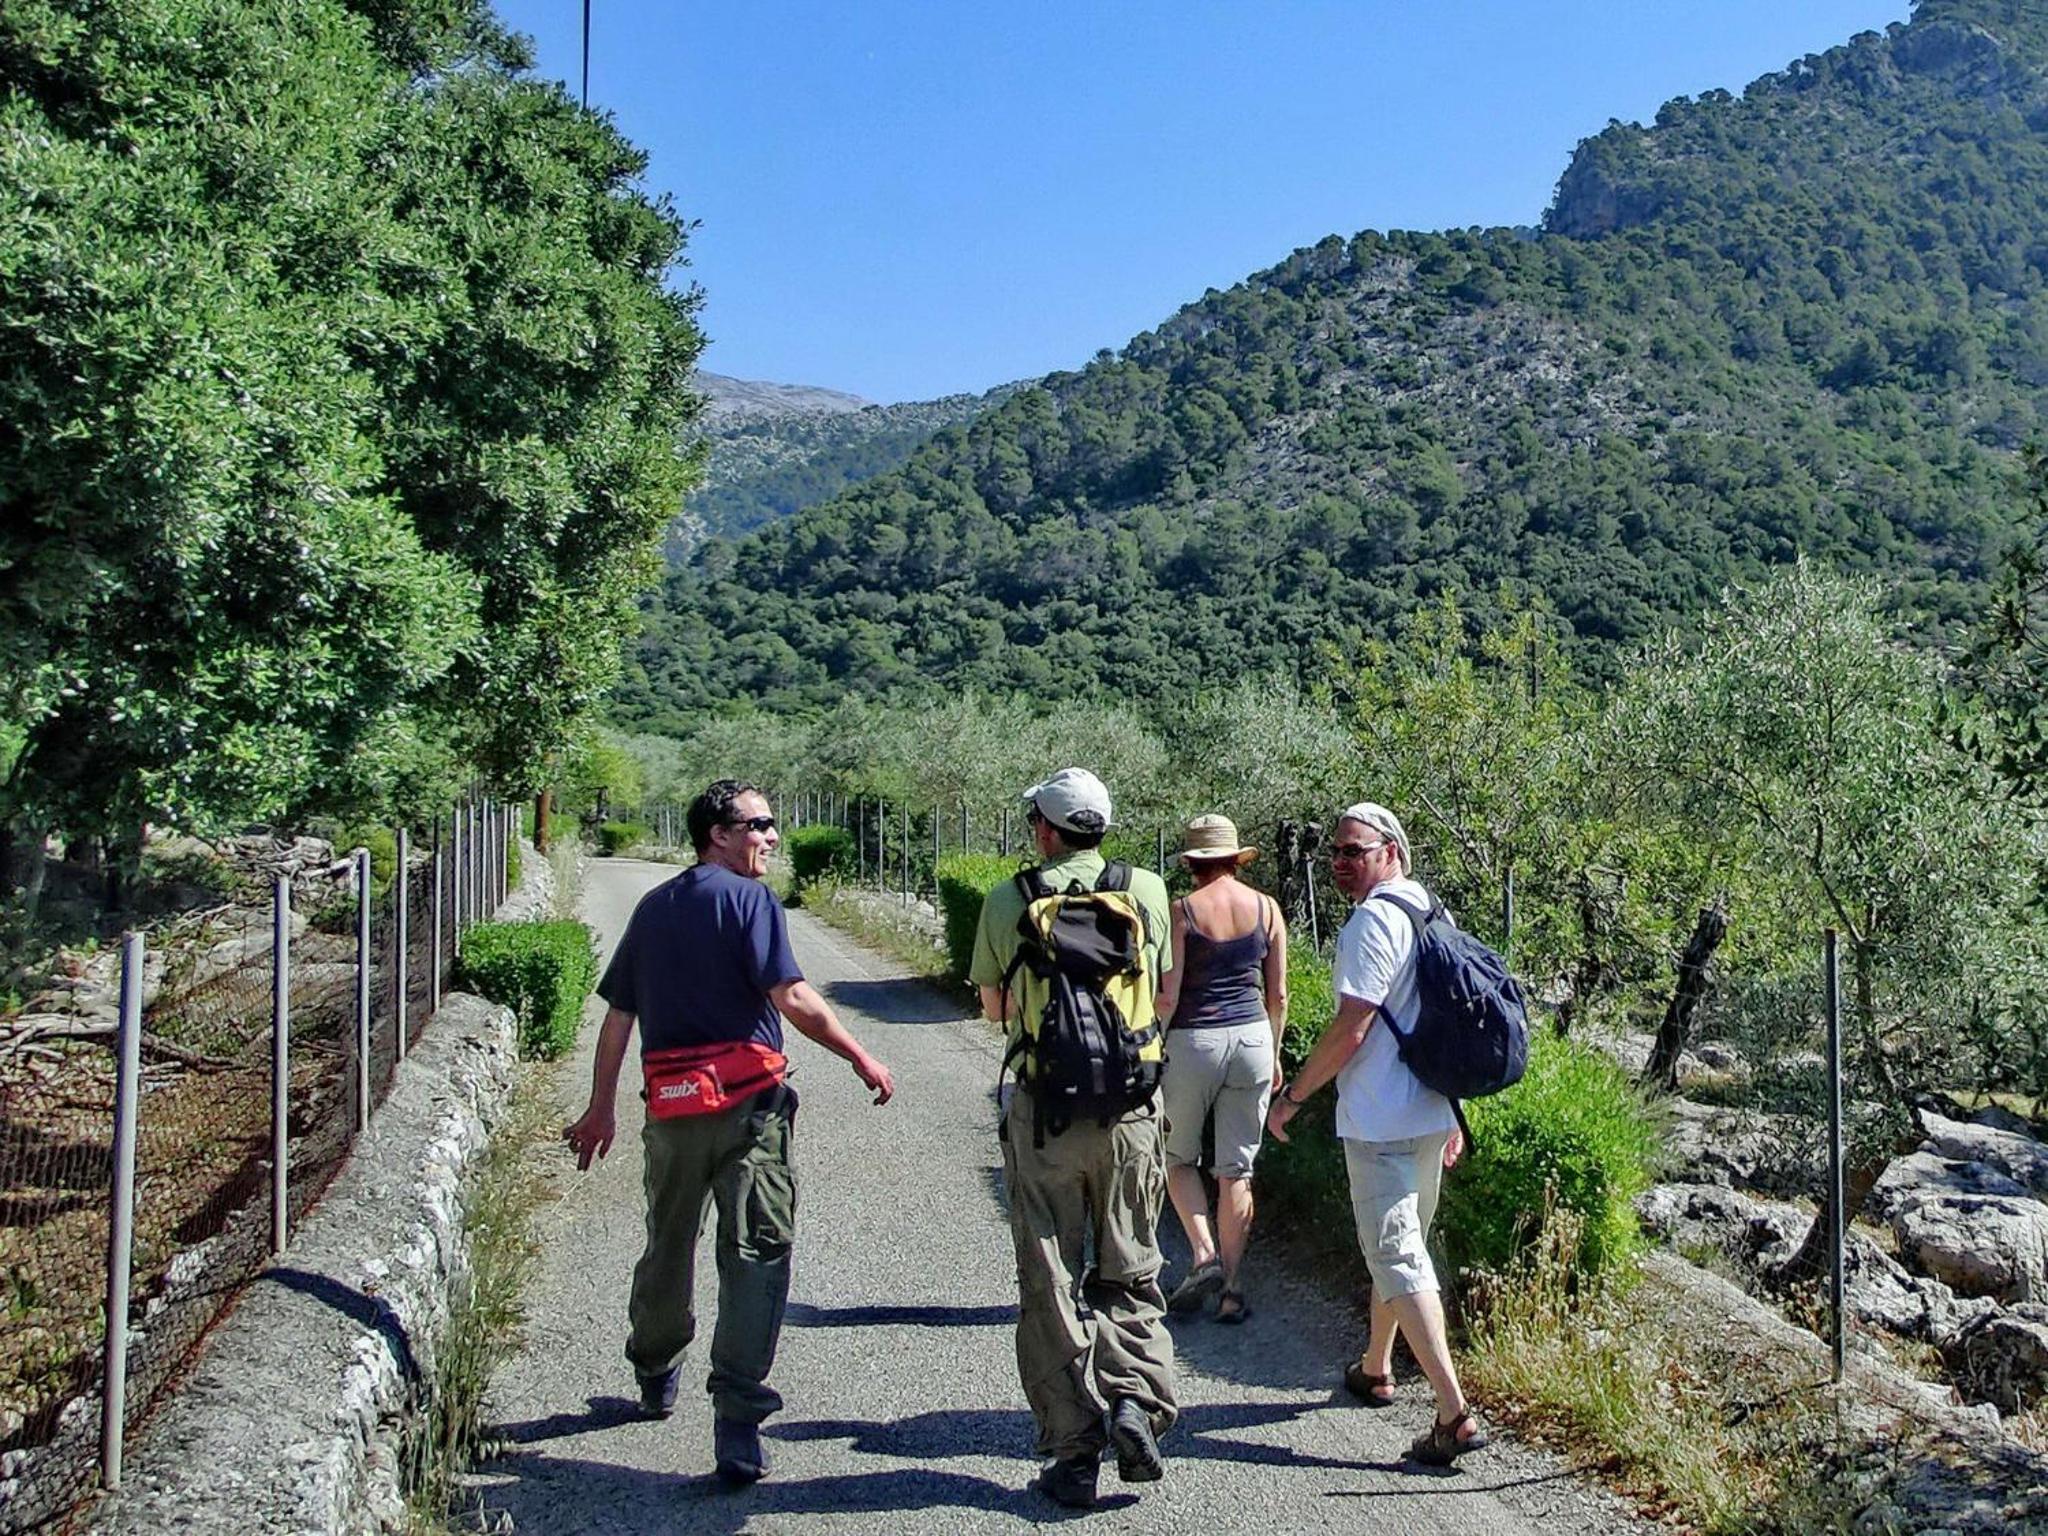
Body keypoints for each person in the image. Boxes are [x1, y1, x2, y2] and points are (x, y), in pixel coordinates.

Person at [562, 779, 895, 1485]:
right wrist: (859, 1055)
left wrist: (602, 1108)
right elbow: (792, 996)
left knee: (667, 1244)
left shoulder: (654, 908)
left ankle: (655, 1368)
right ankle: (738, 1420)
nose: (771, 836)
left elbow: (619, 1016)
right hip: (749, 1113)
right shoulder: (751, 901)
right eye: (758, 824)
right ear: (718, 834)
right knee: (756, 1253)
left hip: (671, 1112)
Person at [969, 767, 1178, 1510]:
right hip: (1130, 1113)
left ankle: (1073, 1449)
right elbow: (1160, 991)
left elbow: (993, 1005)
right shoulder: (1146, 890)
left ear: (1045, 830)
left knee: (1049, 1277)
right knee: (1131, 1266)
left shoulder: (1008, 900)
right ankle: (1136, 1401)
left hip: (1045, 1114)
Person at [1264, 801, 1489, 1467]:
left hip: (1381, 1118)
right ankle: (1375, 1366)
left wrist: (1292, 1098)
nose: (1340, 861)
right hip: (1430, 1113)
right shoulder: (1431, 910)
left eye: (1354, 851)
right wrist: (1453, 1112)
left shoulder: (1371, 922)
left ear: (1390, 852)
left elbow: (1352, 1026)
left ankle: (1453, 1414)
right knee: (1401, 1248)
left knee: (1398, 1256)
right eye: (1335, 851)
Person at [1153, 814, 1288, 1324]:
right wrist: (1274, 1052)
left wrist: (1151, 1045)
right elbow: (1278, 994)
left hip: (1194, 1041)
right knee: (1236, 1170)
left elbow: (1169, 995)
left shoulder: (1182, 911)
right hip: (1253, 1038)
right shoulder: (1267, 909)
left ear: (1192, 862)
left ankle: (1203, 1254)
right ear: (1236, 858)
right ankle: (1232, 1290)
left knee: (1177, 1156)